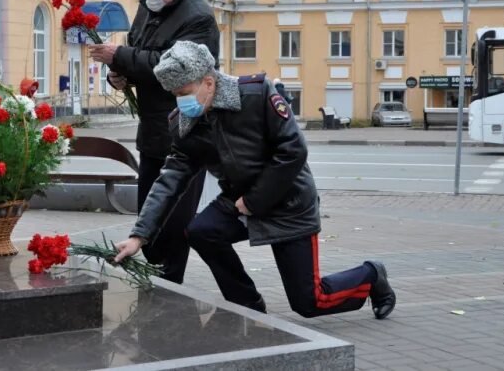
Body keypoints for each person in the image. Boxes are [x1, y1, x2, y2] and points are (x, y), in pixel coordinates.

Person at [114, 41, 396, 320]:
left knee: (310, 302)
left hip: (288, 202)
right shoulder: (186, 123)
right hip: (239, 199)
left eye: (184, 92)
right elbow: (170, 180)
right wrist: (139, 236)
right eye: (175, 94)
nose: (180, 100)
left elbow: (293, 150)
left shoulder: (255, 94)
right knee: (203, 231)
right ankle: (248, 306)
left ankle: (372, 275)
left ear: (209, 83)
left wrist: (253, 201)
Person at [89, 0, 220, 284]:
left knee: (174, 224)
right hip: (152, 133)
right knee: (148, 215)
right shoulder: (150, 6)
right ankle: (157, 279)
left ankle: (168, 288)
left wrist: (120, 56)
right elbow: (137, 50)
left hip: (186, 132)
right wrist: (119, 75)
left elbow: (176, 67)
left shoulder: (199, 17)